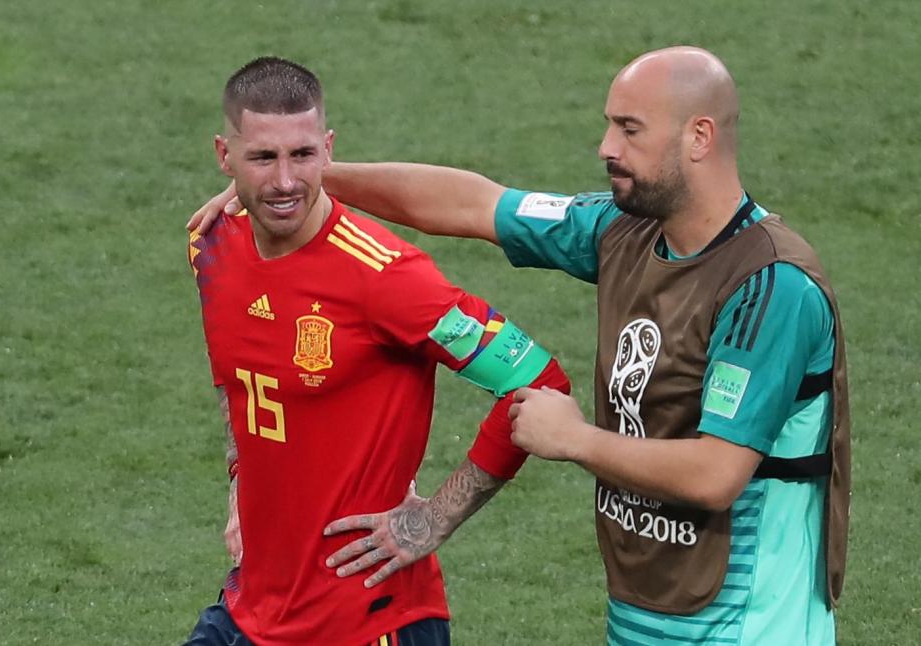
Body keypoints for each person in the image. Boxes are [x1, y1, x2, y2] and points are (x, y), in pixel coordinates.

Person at [191, 47, 851, 645]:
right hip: (647, 607)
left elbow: (716, 474)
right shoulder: (618, 232)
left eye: (628, 129)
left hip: (753, 626)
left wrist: (573, 439)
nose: (605, 146)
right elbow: (476, 205)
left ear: (699, 137)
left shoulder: (770, 286)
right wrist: (298, 181)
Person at [184, 57, 570, 646]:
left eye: (303, 155)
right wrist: (241, 477)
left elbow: (538, 380)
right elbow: (233, 374)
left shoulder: (389, 280)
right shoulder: (210, 244)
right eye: (263, 157)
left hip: (370, 623)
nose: (286, 181)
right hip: (251, 609)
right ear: (224, 155)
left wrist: (433, 520)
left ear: (329, 149)